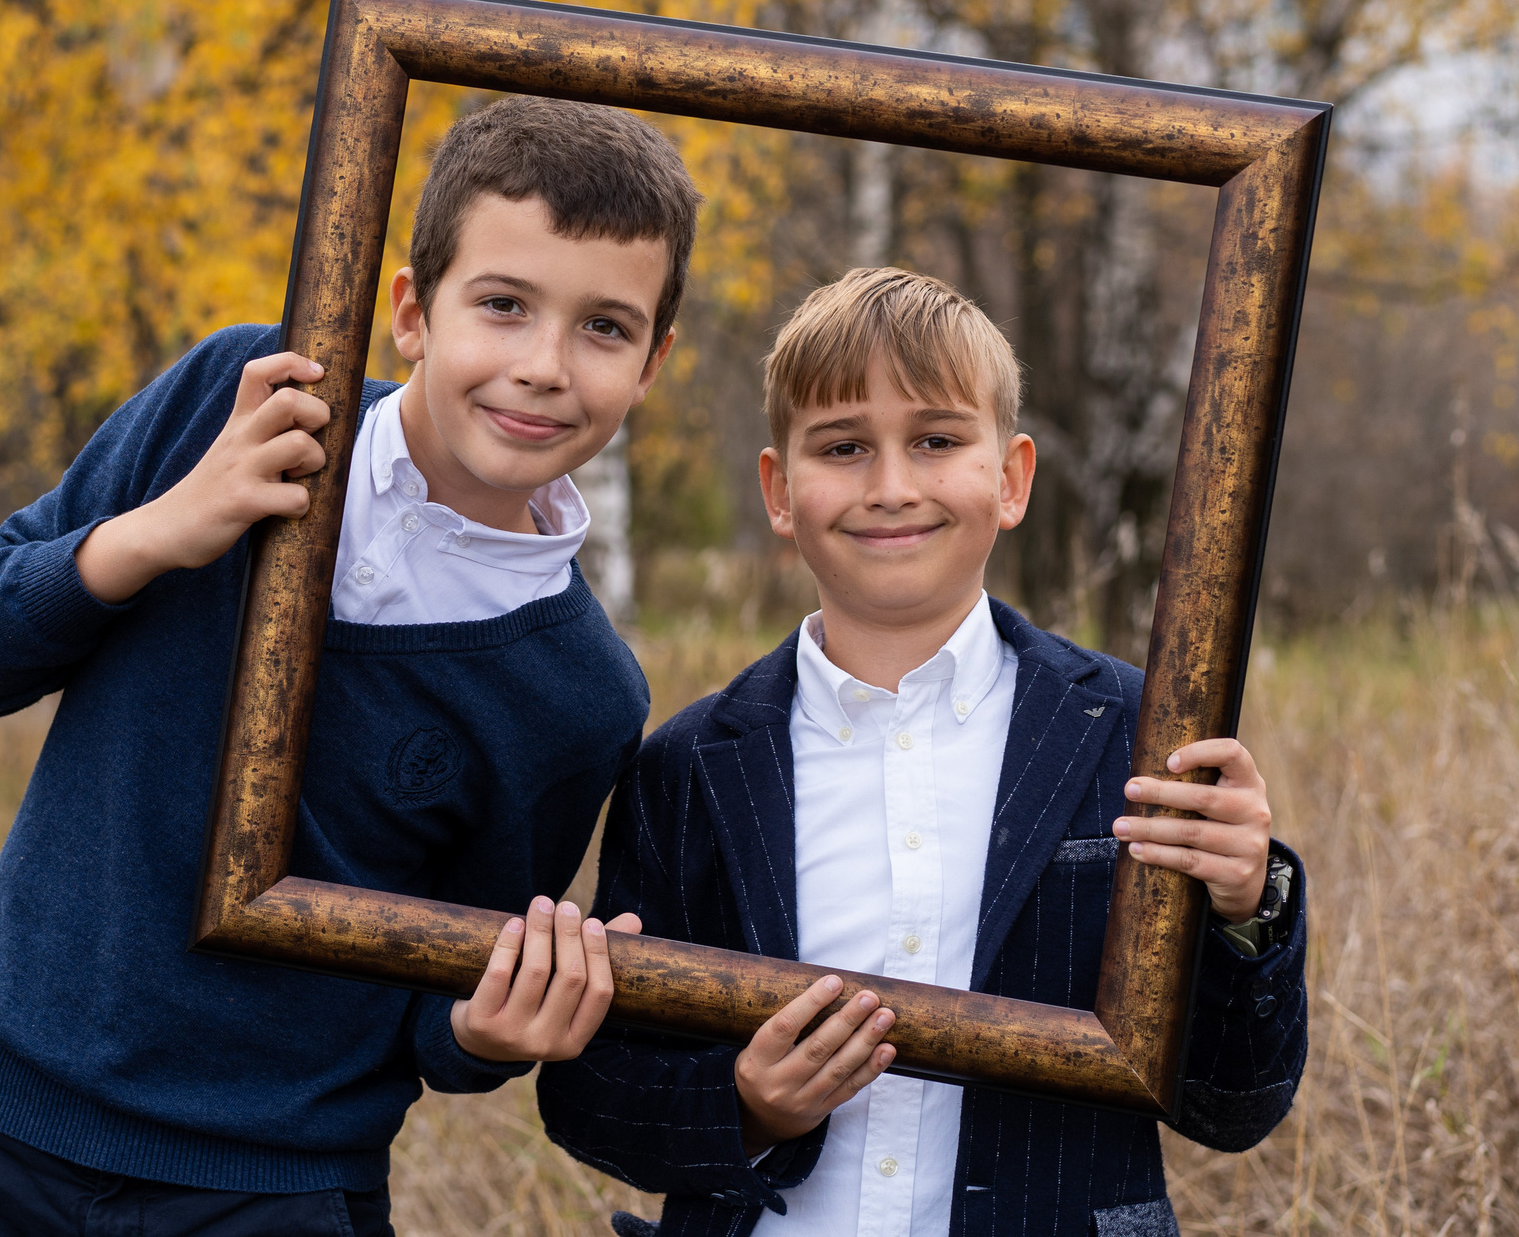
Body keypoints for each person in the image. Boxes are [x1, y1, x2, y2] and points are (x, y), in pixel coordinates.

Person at [0, 96, 701, 1236]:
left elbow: (436, 1009)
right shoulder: (239, 403)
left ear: (653, 360)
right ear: (414, 312)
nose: (543, 367)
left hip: (276, 1189)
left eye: (604, 329)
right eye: (504, 305)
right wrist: (161, 531)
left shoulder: (579, 694)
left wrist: (484, 1034)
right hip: (3, 1130)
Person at [537, 267, 1308, 1237]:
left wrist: (1245, 906)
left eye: (936, 441)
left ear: (1011, 476)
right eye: (844, 447)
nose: (891, 486)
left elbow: (1232, 1105)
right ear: (779, 491)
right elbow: (590, 1092)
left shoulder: (1138, 734)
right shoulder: (687, 767)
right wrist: (745, 1103)